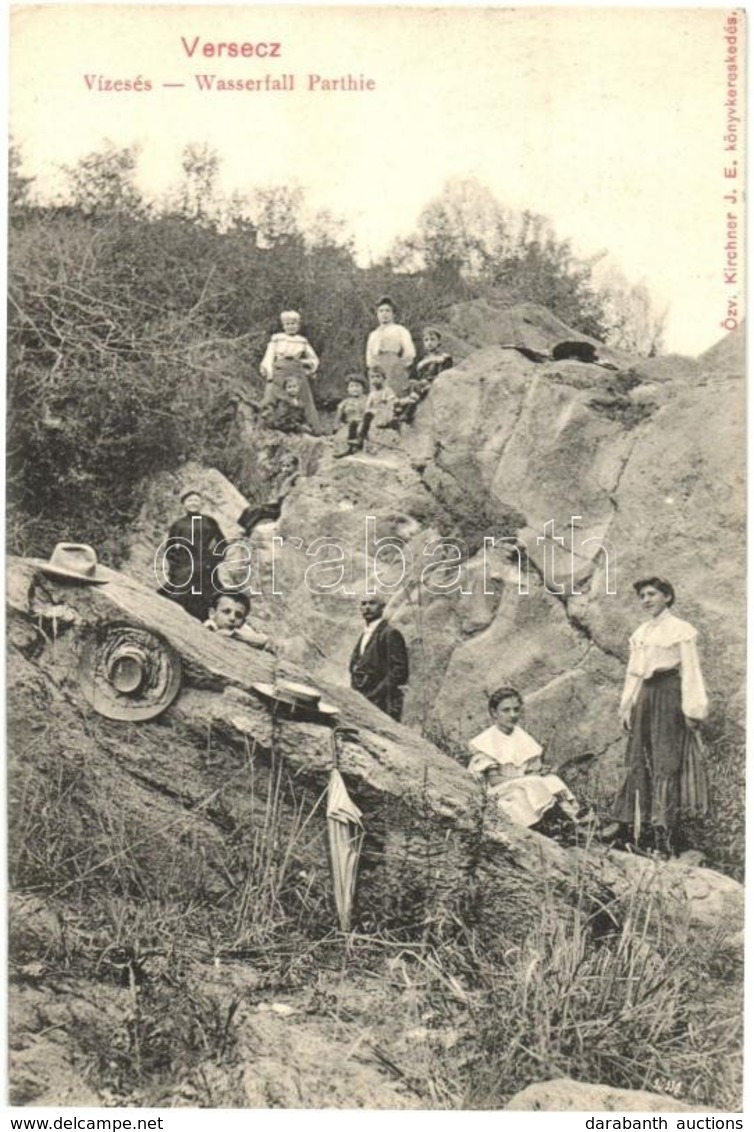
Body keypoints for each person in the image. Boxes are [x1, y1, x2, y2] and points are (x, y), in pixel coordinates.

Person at [608, 576, 709, 858]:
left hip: (668, 695)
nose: (646, 600)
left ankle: (664, 833)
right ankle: (628, 825)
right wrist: (627, 706)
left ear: (667, 596)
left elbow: (691, 671)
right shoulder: (641, 632)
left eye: (652, 594)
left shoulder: (681, 630)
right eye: (642, 596)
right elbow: (634, 673)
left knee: (665, 761)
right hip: (645, 696)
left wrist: (693, 710)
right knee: (637, 758)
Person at [468, 687, 592, 835]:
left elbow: (531, 768)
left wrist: (539, 771)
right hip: (498, 790)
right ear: (494, 713)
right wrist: (526, 778)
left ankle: (570, 819)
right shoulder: (486, 741)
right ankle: (564, 826)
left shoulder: (521, 736)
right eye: (505, 710)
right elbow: (494, 780)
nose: (512, 715)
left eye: (516, 710)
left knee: (552, 780)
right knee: (534, 783)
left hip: (521, 783)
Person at [159, 488, 225, 622]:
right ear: (184, 504)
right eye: (190, 500)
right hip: (185, 564)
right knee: (179, 593)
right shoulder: (178, 525)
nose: (193, 503)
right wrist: (176, 565)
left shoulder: (209, 521)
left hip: (206, 563)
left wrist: (214, 558)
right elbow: (169, 548)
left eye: (196, 500)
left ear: (201, 504)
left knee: (208, 595)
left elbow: (222, 542)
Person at [260, 310, 321, 434]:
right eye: (288, 324)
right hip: (280, 369)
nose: (291, 326)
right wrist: (269, 371)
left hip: (296, 370)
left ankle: (310, 427)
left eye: (293, 324)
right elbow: (269, 356)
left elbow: (313, 359)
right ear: (283, 325)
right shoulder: (277, 339)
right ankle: (274, 424)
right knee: (275, 396)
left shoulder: (302, 341)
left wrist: (305, 363)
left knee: (303, 397)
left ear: (298, 325)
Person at [349, 596, 409, 721]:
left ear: (382, 607)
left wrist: (376, 693)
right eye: (363, 604)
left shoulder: (390, 633)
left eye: (372, 603)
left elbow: (399, 672)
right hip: (362, 700)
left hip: (383, 702)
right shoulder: (365, 634)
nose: (367, 607)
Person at [394, 326, 454, 425]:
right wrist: (412, 381)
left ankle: (408, 412)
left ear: (438, 342)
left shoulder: (444, 358)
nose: (429, 342)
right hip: (420, 384)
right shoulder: (421, 360)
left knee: (420, 387)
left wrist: (429, 380)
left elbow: (445, 374)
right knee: (406, 387)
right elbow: (414, 376)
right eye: (426, 340)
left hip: (435, 382)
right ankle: (397, 412)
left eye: (432, 339)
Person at [365, 296, 416, 398]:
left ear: (393, 314)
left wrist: (400, 365)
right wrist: (373, 368)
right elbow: (369, 356)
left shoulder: (400, 330)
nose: (384, 314)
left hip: (394, 365)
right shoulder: (373, 334)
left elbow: (409, 352)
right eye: (381, 311)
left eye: (387, 311)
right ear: (377, 314)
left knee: (393, 394)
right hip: (377, 367)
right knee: (377, 396)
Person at [238, 454, 300, 537]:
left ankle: (246, 532)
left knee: (259, 511)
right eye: (283, 466)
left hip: (282, 509)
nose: (285, 469)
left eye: (288, 466)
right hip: (277, 504)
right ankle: (239, 527)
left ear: (295, 466)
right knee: (250, 509)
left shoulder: (296, 478)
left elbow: (284, 495)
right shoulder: (284, 478)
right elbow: (278, 495)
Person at [204, 590, 272, 651]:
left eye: (238, 615)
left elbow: (263, 639)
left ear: (243, 621)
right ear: (212, 613)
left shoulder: (241, 629)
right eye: (226, 612)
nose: (232, 618)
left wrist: (230, 634)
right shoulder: (208, 625)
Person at [333, 375, 368, 458]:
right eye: (351, 386)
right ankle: (347, 450)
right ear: (348, 389)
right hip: (349, 425)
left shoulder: (367, 400)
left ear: (363, 388)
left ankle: (358, 446)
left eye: (357, 386)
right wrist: (336, 428)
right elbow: (338, 417)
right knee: (341, 438)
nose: (354, 389)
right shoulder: (345, 402)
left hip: (363, 424)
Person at [362, 367, 398, 441]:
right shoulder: (372, 393)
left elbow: (391, 403)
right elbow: (368, 406)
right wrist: (372, 411)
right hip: (376, 413)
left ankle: (394, 431)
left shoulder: (387, 390)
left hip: (386, 412)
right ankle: (363, 434)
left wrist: (387, 413)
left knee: (392, 418)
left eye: (378, 376)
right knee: (368, 415)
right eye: (372, 377)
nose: (375, 379)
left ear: (384, 378)